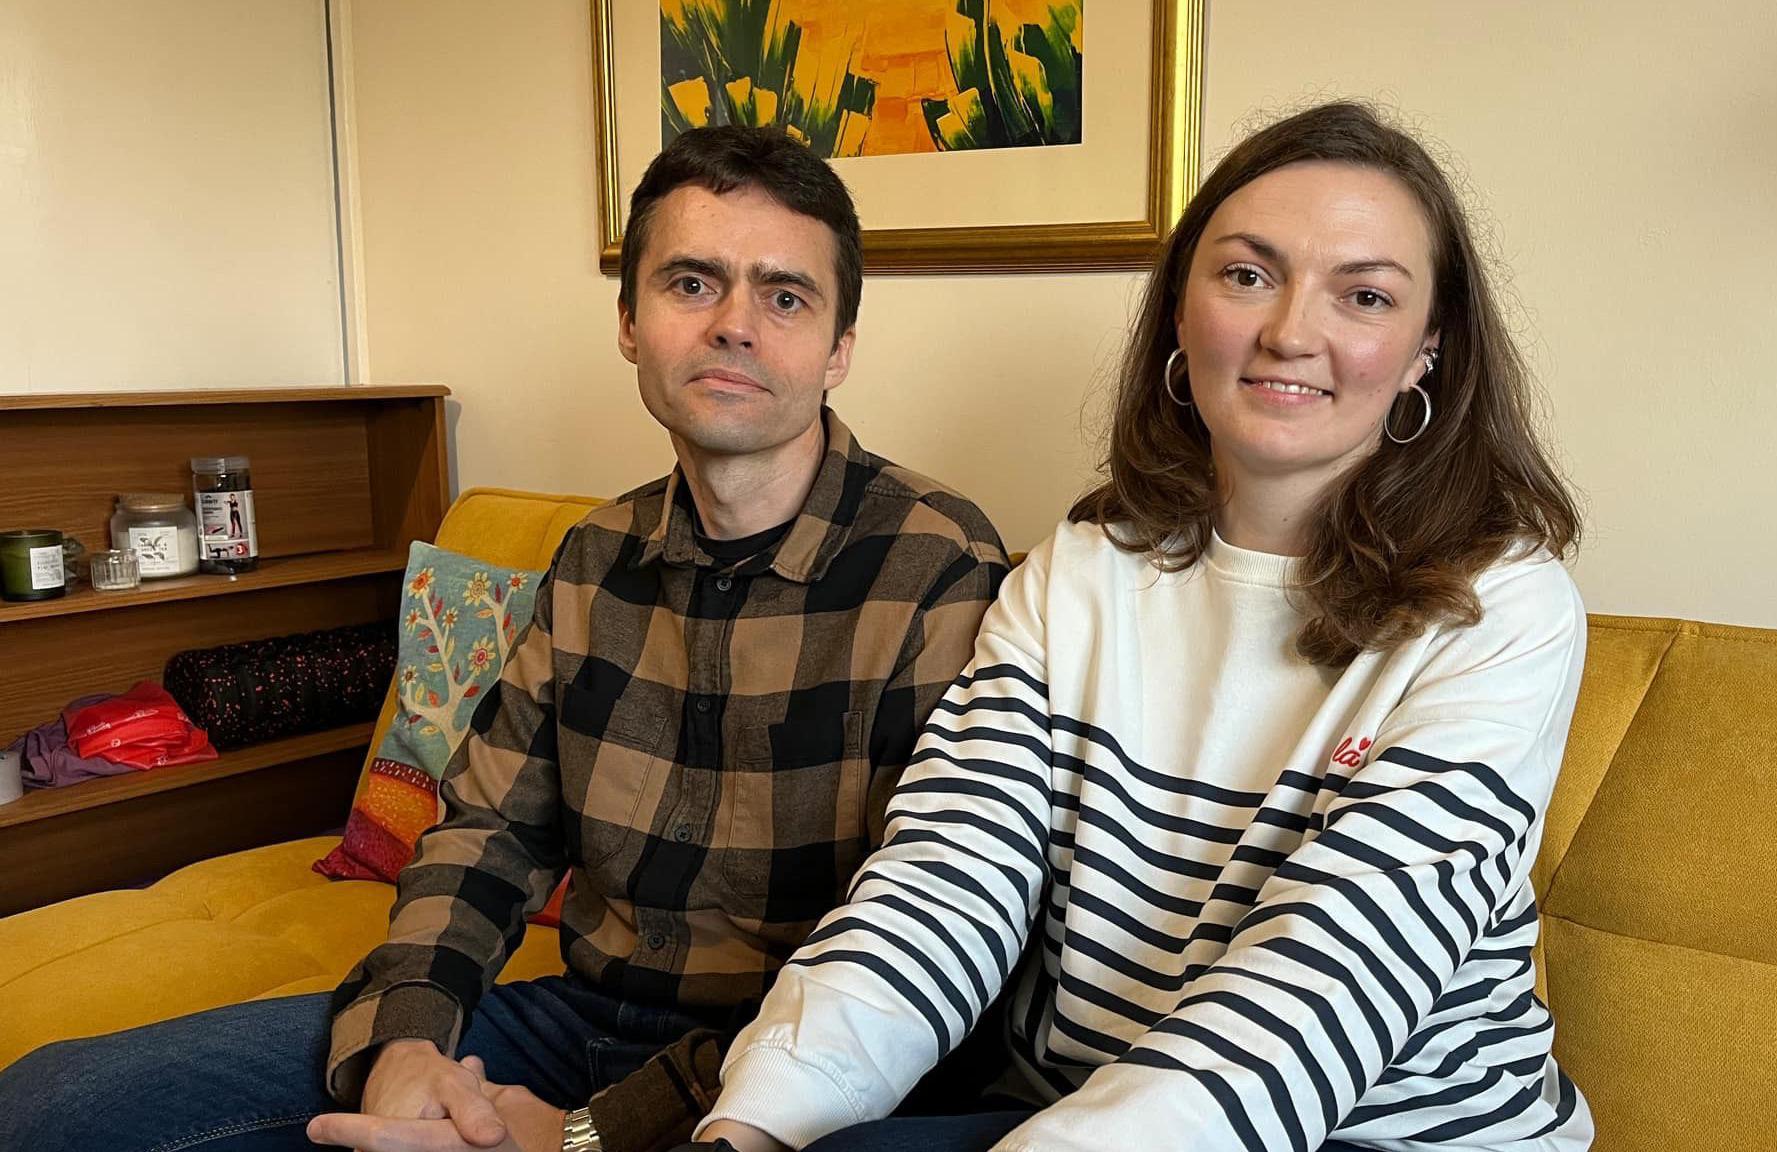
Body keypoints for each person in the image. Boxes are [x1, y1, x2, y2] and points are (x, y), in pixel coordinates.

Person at [0, 124, 1008, 1152]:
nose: (734, 327)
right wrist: (404, 1044)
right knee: (54, 1104)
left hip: (796, 1074)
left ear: (840, 346)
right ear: (629, 321)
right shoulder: (591, 559)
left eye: (784, 296)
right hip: (573, 1020)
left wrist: (592, 1133)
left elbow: (920, 946)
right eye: (692, 284)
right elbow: (491, 833)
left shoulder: (934, 566)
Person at [695, 100, 1593, 1152]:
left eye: (1362, 295)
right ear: (1179, 310)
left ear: (1423, 351)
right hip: (1080, 1110)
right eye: (1247, 275)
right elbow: (942, 884)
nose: (1290, 332)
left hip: (1383, 1136)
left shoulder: (1501, 609)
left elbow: (1325, 988)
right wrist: (754, 1122)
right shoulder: (1075, 573)